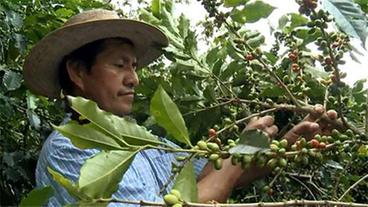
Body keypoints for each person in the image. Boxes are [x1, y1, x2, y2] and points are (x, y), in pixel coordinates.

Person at [23, 9, 337, 206]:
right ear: (77, 72)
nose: (133, 78)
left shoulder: (144, 141)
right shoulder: (68, 147)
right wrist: (238, 156)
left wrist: (291, 143)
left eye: (134, 67)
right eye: (119, 65)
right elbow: (223, 175)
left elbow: (221, 174)